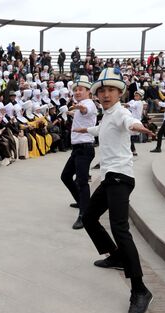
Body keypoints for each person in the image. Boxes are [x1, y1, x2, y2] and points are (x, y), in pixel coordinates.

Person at [73, 68, 155, 313]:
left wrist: (139, 127)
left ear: (120, 93)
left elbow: (129, 122)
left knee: (120, 228)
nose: (106, 94)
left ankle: (140, 290)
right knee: (88, 218)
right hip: (110, 178)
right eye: (102, 91)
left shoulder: (121, 112)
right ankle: (117, 256)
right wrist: (85, 131)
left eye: (111, 90)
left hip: (121, 177)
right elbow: (101, 129)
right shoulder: (107, 115)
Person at [60, 75, 97, 229]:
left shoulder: (88, 104)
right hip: (78, 149)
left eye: (80, 89)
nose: (77, 92)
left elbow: (85, 110)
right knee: (66, 176)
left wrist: (78, 108)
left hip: (84, 149)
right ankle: (83, 202)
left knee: (82, 182)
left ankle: (84, 214)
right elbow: (82, 114)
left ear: (88, 91)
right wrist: (72, 112)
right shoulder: (83, 104)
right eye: (75, 90)